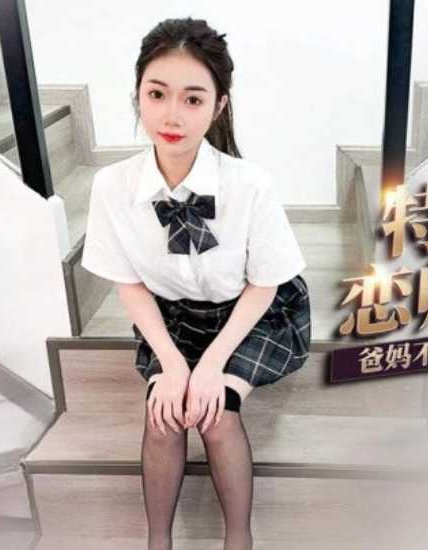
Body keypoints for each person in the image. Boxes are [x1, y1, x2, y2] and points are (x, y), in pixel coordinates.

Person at [80, 17, 312, 550]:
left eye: (192, 99)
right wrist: (172, 363)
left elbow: (265, 286)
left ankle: (239, 540)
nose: (171, 115)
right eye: (156, 94)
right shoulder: (111, 186)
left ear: (219, 105)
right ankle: (157, 542)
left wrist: (210, 367)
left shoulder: (250, 185)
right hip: (172, 317)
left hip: (252, 312)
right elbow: (130, 283)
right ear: (137, 95)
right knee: (163, 415)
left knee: (216, 411)